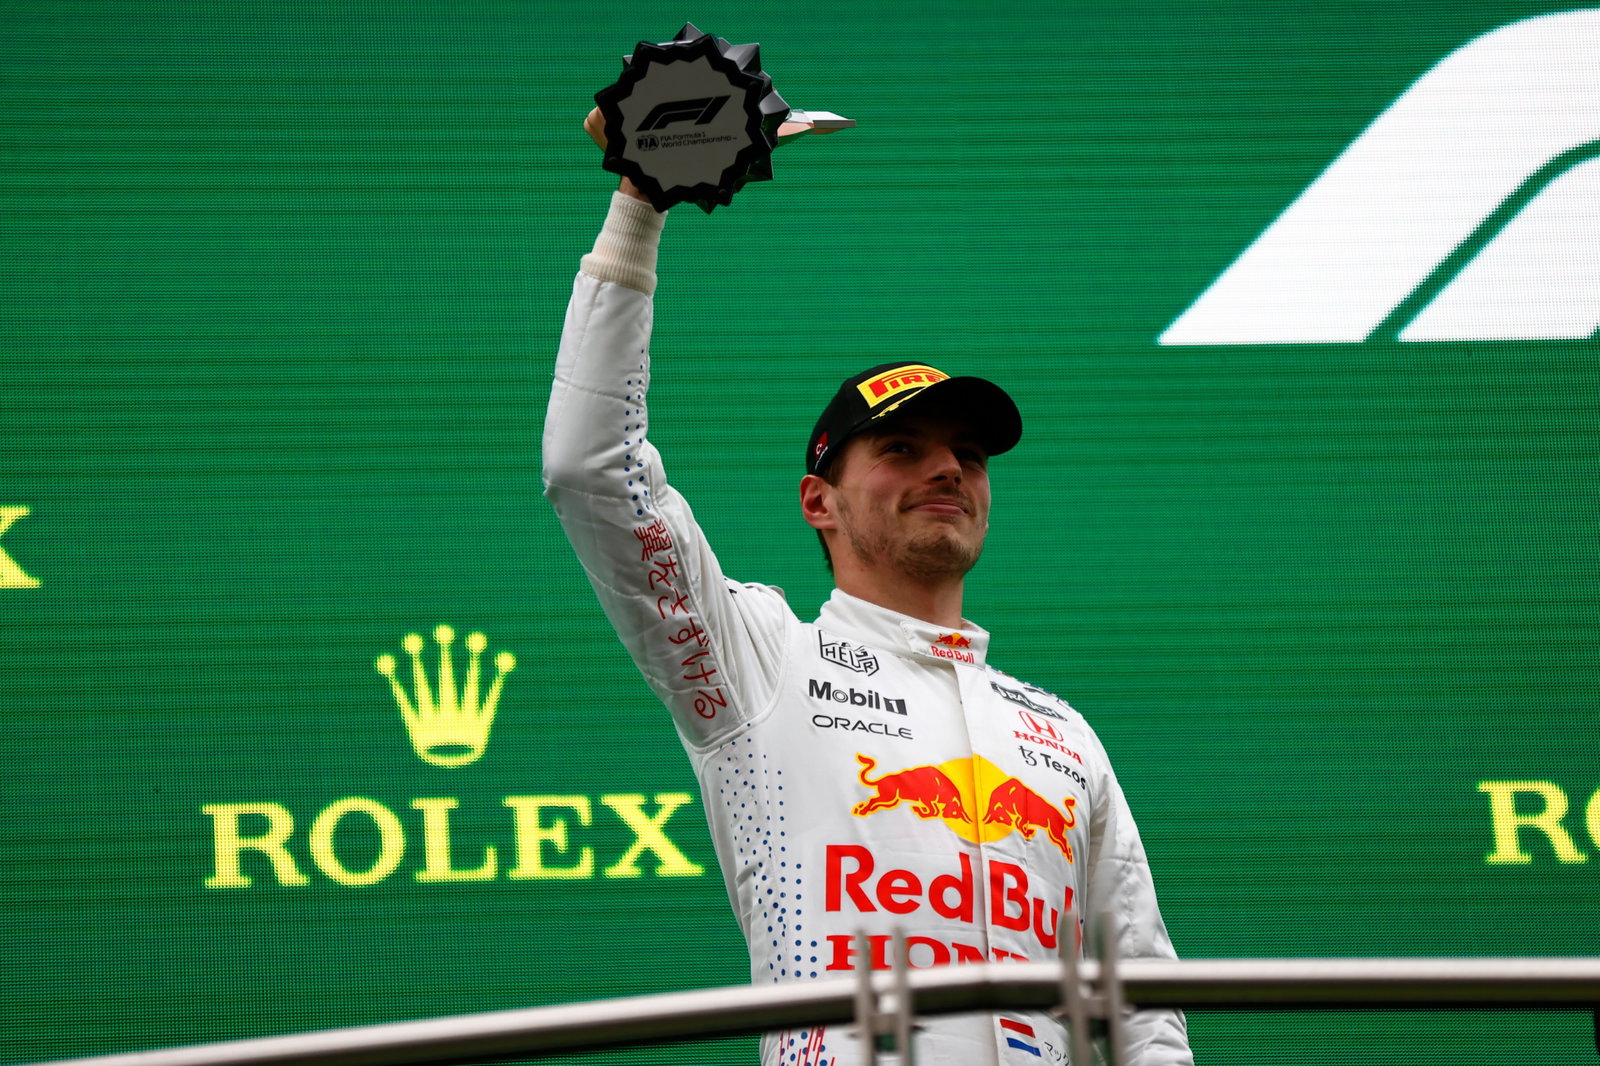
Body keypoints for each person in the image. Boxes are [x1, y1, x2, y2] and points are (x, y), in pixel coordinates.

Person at [542, 154, 1194, 1065]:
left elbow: (1144, 1013)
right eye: (901, 448)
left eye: (969, 454)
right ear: (820, 502)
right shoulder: (762, 663)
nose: (949, 469)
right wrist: (639, 207)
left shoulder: (1063, 736)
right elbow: (593, 475)